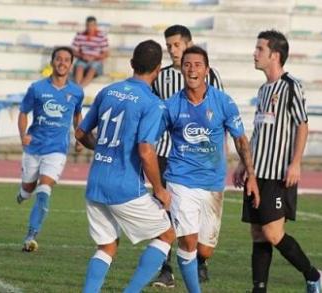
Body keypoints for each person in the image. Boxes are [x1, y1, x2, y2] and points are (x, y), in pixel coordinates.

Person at [75, 39, 176, 292]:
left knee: (107, 246)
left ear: (132, 64)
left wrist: (102, 148)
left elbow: (80, 133)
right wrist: (160, 189)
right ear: (158, 70)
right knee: (167, 234)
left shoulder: (108, 91)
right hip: (124, 186)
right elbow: (145, 150)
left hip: (96, 182)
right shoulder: (153, 103)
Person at [233, 30, 322, 293]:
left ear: (274, 55)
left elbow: (303, 125)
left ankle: (313, 275)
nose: (255, 53)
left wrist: (296, 163)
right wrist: (244, 163)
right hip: (257, 173)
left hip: (277, 174)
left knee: (273, 233)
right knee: (257, 233)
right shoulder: (263, 90)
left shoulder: (291, 86)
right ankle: (259, 289)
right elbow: (260, 130)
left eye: (259, 49)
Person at [162, 46, 259, 293]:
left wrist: (252, 175)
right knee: (189, 241)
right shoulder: (171, 105)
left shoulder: (223, 102)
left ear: (206, 70)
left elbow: (240, 140)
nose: (191, 69)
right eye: (187, 64)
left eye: (197, 64)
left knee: (204, 250)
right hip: (180, 179)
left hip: (213, 184)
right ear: (181, 68)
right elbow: (148, 141)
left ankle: (194, 263)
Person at [151, 24, 225, 288]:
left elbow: (217, 114)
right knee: (164, 212)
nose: (172, 50)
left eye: (177, 45)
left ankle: (199, 262)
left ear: (189, 44)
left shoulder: (210, 75)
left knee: (199, 237)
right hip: (164, 154)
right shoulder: (160, 77)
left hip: (198, 159)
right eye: (168, 46)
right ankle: (165, 268)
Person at [16, 47, 84, 252]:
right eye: (58, 59)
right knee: (29, 189)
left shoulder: (77, 92)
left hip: (57, 149)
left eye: (66, 60)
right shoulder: (37, 88)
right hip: (34, 147)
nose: (62, 63)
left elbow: (77, 115)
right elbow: (23, 113)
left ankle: (31, 235)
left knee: (44, 189)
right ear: (52, 62)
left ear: (71, 65)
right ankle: (23, 191)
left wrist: (79, 137)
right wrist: (23, 136)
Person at [72, 16, 109, 87]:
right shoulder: (80, 35)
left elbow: (106, 53)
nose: (90, 27)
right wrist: (82, 56)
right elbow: (73, 51)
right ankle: (78, 89)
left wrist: (94, 57)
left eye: (92, 25)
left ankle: (79, 89)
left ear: (95, 26)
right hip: (83, 59)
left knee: (93, 68)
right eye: (88, 25)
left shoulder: (102, 36)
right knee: (79, 66)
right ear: (86, 25)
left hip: (96, 61)